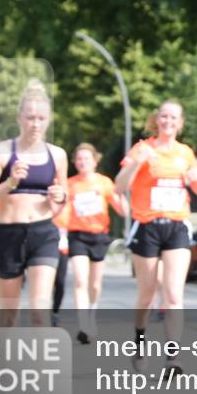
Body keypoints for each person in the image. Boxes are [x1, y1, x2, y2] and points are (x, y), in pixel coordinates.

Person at [115, 100, 197, 375]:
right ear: (157, 120)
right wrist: (137, 164)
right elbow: (119, 186)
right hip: (148, 226)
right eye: (164, 116)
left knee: (173, 293)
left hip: (177, 225)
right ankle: (140, 343)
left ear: (180, 123)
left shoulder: (185, 153)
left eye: (173, 117)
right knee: (146, 295)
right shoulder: (143, 148)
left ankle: (173, 358)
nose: (168, 121)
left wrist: (195, 179)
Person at [0, 79, 68, 327]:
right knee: (9, 315)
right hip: (8, 233)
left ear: (48, 120)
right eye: (30, 117)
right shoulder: (1, 151)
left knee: (39, 308)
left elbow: (61, 203)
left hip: (43, 233)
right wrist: (10, 183)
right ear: (19, 118)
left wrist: (57, 199)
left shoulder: (57, 154)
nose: (35, 123)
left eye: (40, 118)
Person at [67, 142, 127, 343]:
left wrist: (123, 195)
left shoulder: (104, 183)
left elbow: (122, 210)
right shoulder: (70, 184)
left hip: (99, 236)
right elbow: (60, 210)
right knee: (80, 281)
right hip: (77, 235)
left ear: (94, 161)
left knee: (94, 285)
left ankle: (91, 314)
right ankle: (83, 324)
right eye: (79, 159)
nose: (83, 162)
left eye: (87, 159)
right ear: (75, 162)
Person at [50, 200, 70, 326]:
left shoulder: (69, 202)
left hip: (62, 246)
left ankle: (55, 311)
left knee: (60, 282)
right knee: (45, 282)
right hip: (43, 244)